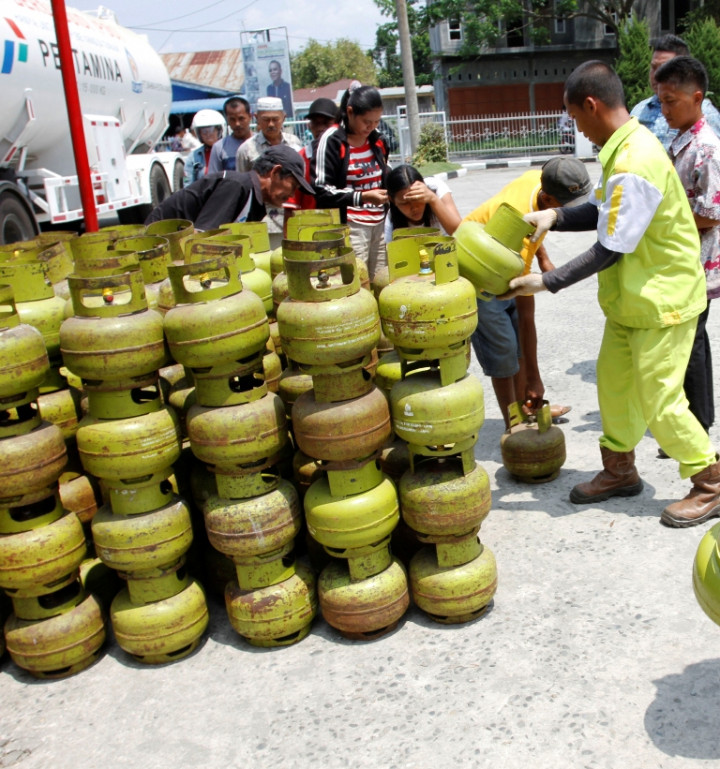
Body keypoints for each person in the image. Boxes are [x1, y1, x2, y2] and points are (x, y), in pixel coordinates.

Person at [504, 60, 720, 529]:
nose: (578, 129)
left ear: (591, 105)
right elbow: (607, 210)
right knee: (614, 385)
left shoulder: (635, 159)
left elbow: (611, 247)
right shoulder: (622, 147)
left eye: (575, 119)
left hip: (662, 301)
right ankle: (620, 470)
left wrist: (547, 281)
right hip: (632, 301)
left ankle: (709, 482)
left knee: (660, 397)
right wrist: (556, 218)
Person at [464, 157, 591, 428]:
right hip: (477, 276)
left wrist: (543, 257)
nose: (573, 213)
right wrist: (535, 377)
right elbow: (526, 317)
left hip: (498, 258)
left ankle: (525, 409)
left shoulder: (538, 180)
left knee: (518, 348)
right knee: (504, 351)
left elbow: (534, 228)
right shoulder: (519, 244)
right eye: (567, 208)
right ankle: (514, 426)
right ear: (548, 199)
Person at [655, 56, 720, 442]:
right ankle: (691, 424)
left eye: (671, 101)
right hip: (679, 262)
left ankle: (698, 428)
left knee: (691, 343)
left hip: (697, 264)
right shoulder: (680, 139)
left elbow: (711, 214)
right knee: (686, 342)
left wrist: (664, 221)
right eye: (660, 101)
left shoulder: (707, 148)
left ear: (696, 98)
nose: (664, 110)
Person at [312, 83, 390, 282]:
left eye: (376, 121)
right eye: (366, 121)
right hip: (351, 227)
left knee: (381, 280)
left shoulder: (378, 141)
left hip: (380, 225)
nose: (371, 127)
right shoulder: (332, 140)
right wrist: (362, 197)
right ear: (350, 112)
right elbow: (322, 190)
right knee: (356, 282)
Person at [145, 144, 314, 232]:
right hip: (159, 243)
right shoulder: (236, 186)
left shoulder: (255, 202)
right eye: (293, 186)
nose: (291, 194)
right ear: (275, 172)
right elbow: (203, 237)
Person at [630, 34, 720, 150]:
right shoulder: (639, 111)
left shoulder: (705, 113)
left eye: (664, 69)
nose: (656, 75)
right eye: (653, 67)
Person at [236, 96, 303, 246]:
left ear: (284, 118)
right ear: (256, 118)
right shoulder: (246, 149)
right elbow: (243, 186)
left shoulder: (294, 143)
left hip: (290, 217)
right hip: (262, 221)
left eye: (275, 119)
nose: (271, 124)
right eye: (266, 120)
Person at [284, 97, 340, 217]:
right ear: (309, 125)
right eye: (316, 123)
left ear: (338, 124)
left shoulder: (348, 155)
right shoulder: (300, 159)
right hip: (312, 224)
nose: (320, 128)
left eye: (326, 122)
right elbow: (291, 206)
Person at [384, 164, 462, 241]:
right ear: (392, 200)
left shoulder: (436, 189)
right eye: (405, 203)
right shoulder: (392, 219)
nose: (414, 208)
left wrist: (433, 199)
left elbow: (459, 232)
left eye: (418, 199)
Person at [208, 96, 253, 173]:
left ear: (250, 117)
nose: (237, 124)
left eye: (241, 119)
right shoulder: (219, 148)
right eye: (232, 119)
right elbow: (214, 177)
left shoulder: (261, 143)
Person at [184, 109, 225, 187]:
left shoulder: (229, 152)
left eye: (211, 130)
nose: (208, 134)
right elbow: (188, 185)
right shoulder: (193, 157)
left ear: (219, 130)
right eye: (204, 131)